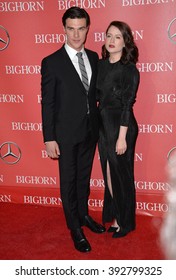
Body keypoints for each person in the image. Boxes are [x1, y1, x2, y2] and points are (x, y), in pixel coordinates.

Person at [41, 6, 105, 253]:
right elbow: (48, 103)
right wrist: (49, 138)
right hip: (65, 134)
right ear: (64, 29)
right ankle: (74, 228)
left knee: (83, 178)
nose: (76, 35)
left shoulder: (93, 58)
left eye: (81, 29)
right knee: (68, 181)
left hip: (90, 130)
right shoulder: (51, 62)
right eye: (71, 29)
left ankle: (84, 215)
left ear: (87, 29)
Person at [96, 21, 140, 238]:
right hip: (103, 124)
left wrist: (121, 137)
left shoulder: (129, 70)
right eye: (108, 36)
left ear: (125, 41)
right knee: (108, 173)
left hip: (121, 126)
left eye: (117, 37)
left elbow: (127, 105)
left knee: (121, 175)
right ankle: (115, 217)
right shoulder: (101, 65)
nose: (111, 41)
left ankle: (125, 221)